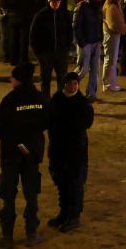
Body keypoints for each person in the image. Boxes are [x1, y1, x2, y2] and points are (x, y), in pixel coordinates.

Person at [0, 61, 49, 247]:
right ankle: (31, 233)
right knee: (31, 194)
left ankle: (7, 236)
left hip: (11, 154)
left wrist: (14, 140)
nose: (10, 80)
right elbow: (47, 121)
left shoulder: (9, 100)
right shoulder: (40, 98)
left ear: (18, 80)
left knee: (8, 195)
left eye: (13, 77)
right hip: (32, 154)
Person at [46, 71, 92, 233]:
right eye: (70, 83)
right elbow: (49, 121)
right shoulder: (56, 100)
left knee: (75, 184)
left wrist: (66, 124)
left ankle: (74, 216)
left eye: (76, 84)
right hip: (58, 149)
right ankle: (64, 212)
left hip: (76, 151)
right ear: (64, 85)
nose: (73, 87)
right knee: (61, 182)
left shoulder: (82, 102)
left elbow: (87, 122)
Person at [29, 0, 73, 101]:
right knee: (45, 79)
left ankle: (60, 101)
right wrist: (39, 52)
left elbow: (69, 32)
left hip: (61, 52)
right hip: (45, 53)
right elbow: (33, 35)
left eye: (58, 1)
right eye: (54, 1)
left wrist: (66, 48)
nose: (56, 3)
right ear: (49, 1)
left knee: (62, 79)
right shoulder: (40, 16)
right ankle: (45, 101)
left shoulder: (64, 15)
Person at [72, 0, 103, 100]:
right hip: (86, 43)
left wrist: (100, 39)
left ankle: (91, 94)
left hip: (95, 41)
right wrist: (82, 43)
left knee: (95, 70)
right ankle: (69, 86)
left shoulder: (98, 6)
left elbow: (99, 24)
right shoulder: (81, 7)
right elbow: (76, 26)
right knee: (82, 70)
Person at [102, 0, 126, 93]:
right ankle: (108, 84)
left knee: (112, 60)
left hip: (114, 34)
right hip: (111, 35)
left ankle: (111, 83)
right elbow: (114, 24)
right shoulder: (111, 7)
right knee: (110, 60)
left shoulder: (114, 5)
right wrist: (125, 28)